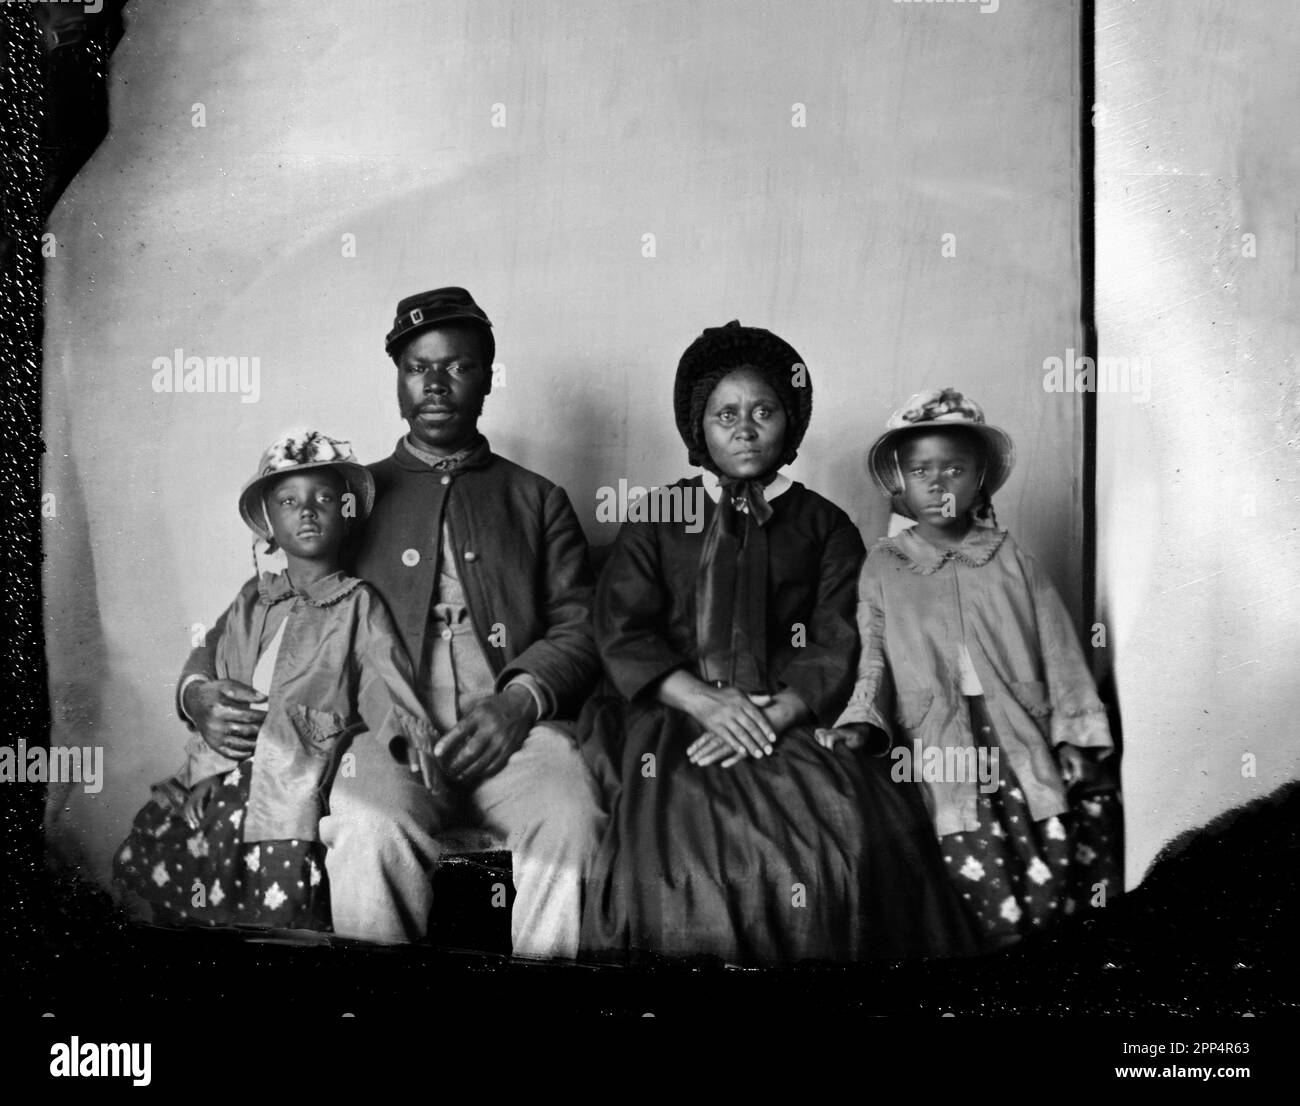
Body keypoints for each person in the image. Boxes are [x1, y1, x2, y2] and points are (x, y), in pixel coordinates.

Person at [177, 288, 605, 957]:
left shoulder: (537, 499)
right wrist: (198, 692)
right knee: (368, 829)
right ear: (398, 383)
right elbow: (264, 603)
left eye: (458, 366)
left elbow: (581, 629)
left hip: (519, 737)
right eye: (417, 367)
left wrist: (518, 704)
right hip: (381, 735)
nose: (436, 383)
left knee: (572, 821)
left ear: (488, 379)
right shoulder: (349, 497)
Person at [578, 322, 976, 963]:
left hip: (789, 715)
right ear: (697, 428)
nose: (744, 428)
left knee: (846, 832)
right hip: (675, 714)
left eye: (762, 410)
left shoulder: (824, 524)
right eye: (724, 414)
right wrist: (705, 703)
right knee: (679, 857)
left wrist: (783, 709)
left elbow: (841, 633)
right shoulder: (657, 516)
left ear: (788, 421)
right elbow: (621, 628)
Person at [817, 388, 1122, 948]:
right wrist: (861, 718)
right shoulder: (884, 565)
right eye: (920, 470)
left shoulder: (1009, 556)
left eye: (954, 469)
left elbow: (1060, 651)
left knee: (1047, 850)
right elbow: (875, 655)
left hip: (1017, 735)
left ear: (979, 478)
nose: (938, 485)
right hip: (937, 740)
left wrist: (1077, 733)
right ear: (899, 484)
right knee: (966, 864)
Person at [114, 430, 442, 928]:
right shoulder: (253, 599)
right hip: (224, 779)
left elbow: (382, 681)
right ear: (268, 522)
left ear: (346, 514)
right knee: (185, 881)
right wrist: (204, 770)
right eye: (289, 501)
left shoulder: (358, 603)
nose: (308, 510)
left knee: (276, 917)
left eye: (324, 499)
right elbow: (217, 683)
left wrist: (406, 735)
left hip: (292, 784)